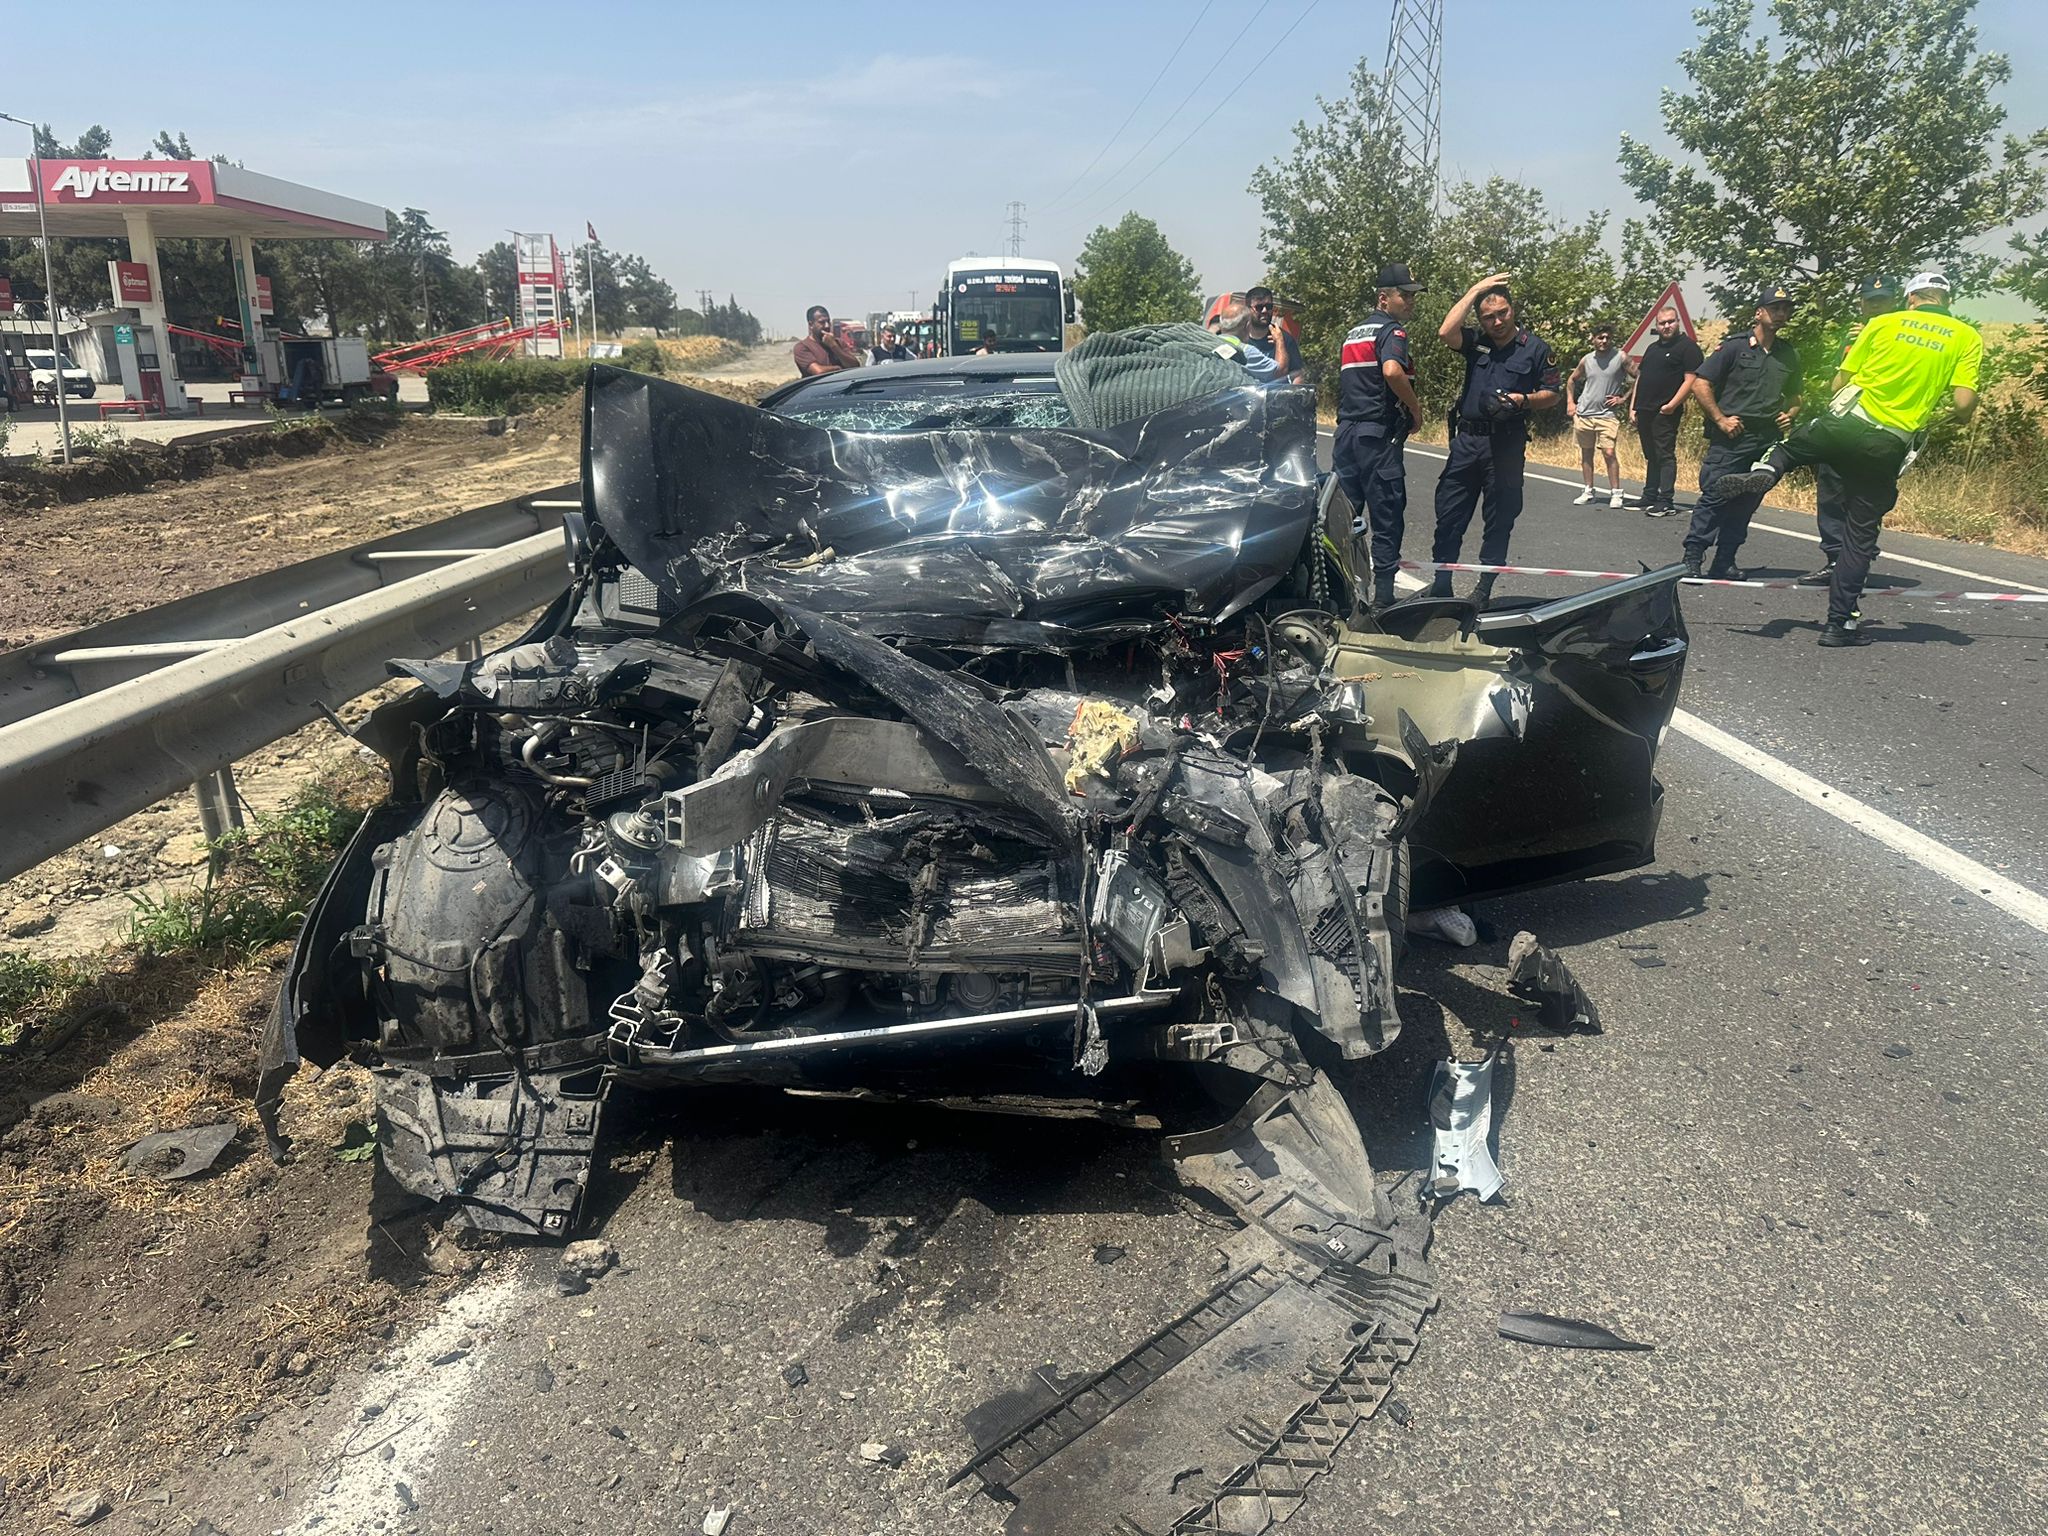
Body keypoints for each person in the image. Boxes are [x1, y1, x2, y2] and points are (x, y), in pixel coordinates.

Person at [1713, 270, 1980, 647]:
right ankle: (1840, 624)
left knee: (1790, 450)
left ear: (1910, 299)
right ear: (1946, 300)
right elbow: (1963, 403)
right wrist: (1961, 411)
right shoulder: (1966, 336)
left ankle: (1765, 473)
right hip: (1888, 442)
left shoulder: (1881, 324)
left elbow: (1840, 383)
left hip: (1846, 421)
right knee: (1859, 535)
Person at [1429, 272, 1561, 603]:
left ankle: (1483, 589)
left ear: (1512, 310)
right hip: (1467, 442)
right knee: (1449, 514)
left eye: (1502, 312)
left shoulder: (1535, 350)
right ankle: (1441, 583)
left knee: (1499, 519)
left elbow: (1553, 394)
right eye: (1489, 316)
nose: (1497, 321)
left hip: (1505, 444)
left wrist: (1524, 400)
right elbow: (1445, 332)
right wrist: (1476, 289)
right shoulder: (1476, 342)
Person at [1680, 284, 1801, 580]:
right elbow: (1700, 383)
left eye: (1786, 309)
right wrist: (1720, 419)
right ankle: (1692, 558)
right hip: (1732, 437)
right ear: (1759, 313)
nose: (1781, 314)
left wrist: (1790, 414)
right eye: (1775, 308)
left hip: (1765, 439)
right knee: (1716, 496)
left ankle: (1725, 561)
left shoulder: (1788, 354)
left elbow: (1796, 396)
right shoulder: (1734, 347)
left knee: (1746, 502)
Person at [1333, 262, 1426, 608]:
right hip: (1377, 437)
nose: (1411, 302)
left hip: (1346, 436)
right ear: (1384, 299)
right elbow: (1391, 370)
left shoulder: (1354, 333)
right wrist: (1415, 409)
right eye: (1405, 295)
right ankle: (1384, 601)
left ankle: (1340, 597)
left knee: (1344, 520)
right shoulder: (1392, 332)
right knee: (1386, 515)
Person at [1799, 274, 1902, 586]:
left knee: (1866, 495)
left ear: (1894, 302)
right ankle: (1835, 558)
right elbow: (1840, 377)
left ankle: (1858, 558)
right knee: (1831, 490)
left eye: (1882, 301)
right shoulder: (1852, 336)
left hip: (1880, 426)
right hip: (1844, 423)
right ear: (1862, 303)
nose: (1876, 306)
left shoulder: (1902, 336)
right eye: (1871, 301)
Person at [1628, 306, 1701, 517]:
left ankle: (1666, 500)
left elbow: (1691, 380)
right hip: (1644, 409)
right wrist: (1633, 406)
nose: (1667, 326)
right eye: (1662, 323)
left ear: (1678, 322)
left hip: (1665, 412)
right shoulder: (1652, 348)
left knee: (1665, 455)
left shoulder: (1688, 348)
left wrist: (1672, 405)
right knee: (1651, 454)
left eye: (1671, 321)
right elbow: (1641, 378)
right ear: (1657, 326)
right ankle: (1649, 495)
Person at [1565, 323, 1634, 507]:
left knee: (1609, 452)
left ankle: (1616, 493)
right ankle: (1588, 491)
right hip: (1585, 413)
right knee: (1586, 453)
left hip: (1607, 415)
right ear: (1593, 339)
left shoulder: (1620, 357)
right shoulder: (1587, 360)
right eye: (1600, 337)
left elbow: (1639, 377)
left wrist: (1623, 399)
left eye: (1607, 338)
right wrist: (1571, 403)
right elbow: (1571, 380)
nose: (1604, 341)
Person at [1245, 286, 1301, 381]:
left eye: (1269, 306)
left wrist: (1294, 394)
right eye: (1259, 307)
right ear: (1248, 309)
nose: (1265, 311)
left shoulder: (1284, 338)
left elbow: (1297, 375)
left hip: (1275, 394)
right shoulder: (1239, 337)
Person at [793, 305, 860, 377]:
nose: (827, 326)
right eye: (822, 322)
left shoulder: (838, 343)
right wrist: (840, 368)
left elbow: (855, 365)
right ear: (811, 324)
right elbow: (819, 372)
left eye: (828, 321)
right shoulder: (802, 347)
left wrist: (834, 347)